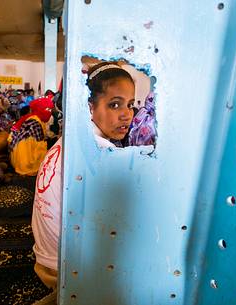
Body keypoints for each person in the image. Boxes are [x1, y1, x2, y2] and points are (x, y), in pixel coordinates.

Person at [31, 62, 144, 304]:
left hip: (46, 258)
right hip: (64, 268)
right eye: (114, 104)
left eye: (130, 104)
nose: (127, 114)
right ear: (89, 107)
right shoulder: (100, 153)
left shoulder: (70, 138)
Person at [8, 97, 54, 176]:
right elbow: (39, 148)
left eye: (50, 110)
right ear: (39, 109)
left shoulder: (34, 118)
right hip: (26, 163)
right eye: (47, 109)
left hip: (18, 159)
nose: (49, 112)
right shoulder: (35, 122)